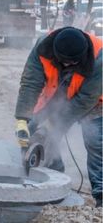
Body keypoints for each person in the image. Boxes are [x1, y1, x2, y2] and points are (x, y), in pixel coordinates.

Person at [15, 27, 102, 207]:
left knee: (96, 143)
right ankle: (55, 177)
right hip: (56, 93)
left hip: (96, 101)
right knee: (30, 131)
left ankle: (101, 194)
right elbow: (31, 82)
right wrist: (22, 118)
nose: (68, 66)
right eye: (64, 62)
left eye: (72, 63)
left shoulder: (100, 56)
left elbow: (85, 99)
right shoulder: (43, 47)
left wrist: (55, 125)